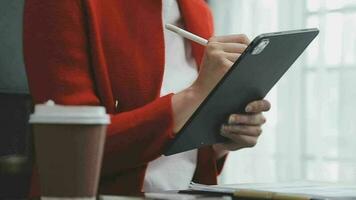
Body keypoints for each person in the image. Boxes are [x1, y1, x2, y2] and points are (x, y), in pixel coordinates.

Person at [23, 0, 271, 196]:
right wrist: (194, 95)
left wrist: (221, 140)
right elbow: (69, 151)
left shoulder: (198, 11)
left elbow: (176, 154)